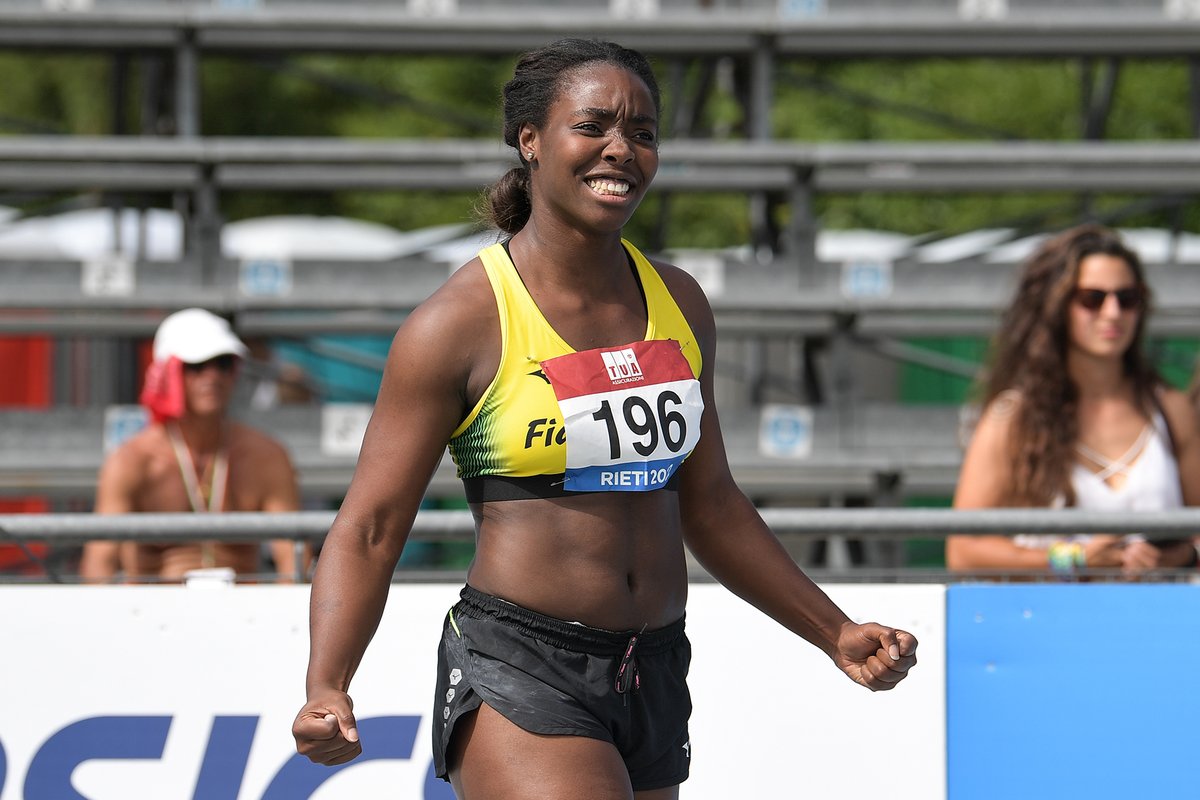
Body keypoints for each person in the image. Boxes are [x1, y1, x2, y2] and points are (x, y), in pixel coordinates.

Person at [291, 38, 917, 799]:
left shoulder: (679, 303)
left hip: (652, 668)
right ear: (530, 140)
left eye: (643, 133)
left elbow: (711, 502)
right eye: (594, 126)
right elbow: (370, 525)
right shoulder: (458, 323)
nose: (621, 149)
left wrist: (834, 631)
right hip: (522, 665)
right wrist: (328, 682)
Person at [947, 224, 1200, 577]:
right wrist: (1072, 557)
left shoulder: (1171, 409)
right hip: (1050, 623)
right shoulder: (1013, 416)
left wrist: (1176, 557)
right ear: (1055, 305)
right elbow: (964, 550)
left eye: (1127, 298)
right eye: (1092, 299)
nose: (1112, 313)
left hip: (1158, 622)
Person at [80, 308, 307, 583]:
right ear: (167, 373)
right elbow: (100, 565)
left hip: (242, 613)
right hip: (155, 613)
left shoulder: (265, 455)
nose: (212, 376)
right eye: (196, 366)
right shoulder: (133, 461)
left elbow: (293, 561)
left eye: (223, 363)